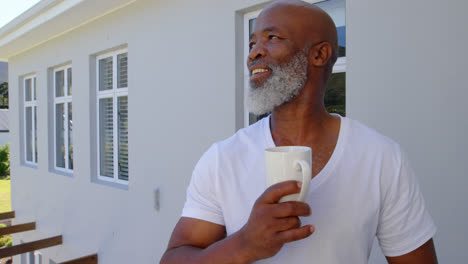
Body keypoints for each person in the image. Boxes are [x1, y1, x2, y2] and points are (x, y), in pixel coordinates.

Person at [160, 0, 438, 263]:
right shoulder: (222, 159)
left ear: (319, 54)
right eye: (252, 42)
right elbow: (172, 258)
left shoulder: (382, 157)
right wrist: (244, 244)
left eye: (272, 38)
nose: (253, 52)